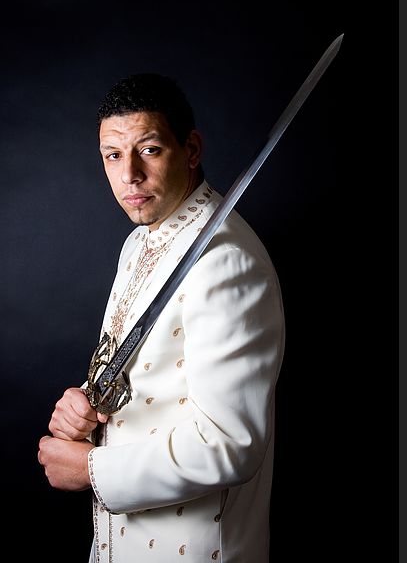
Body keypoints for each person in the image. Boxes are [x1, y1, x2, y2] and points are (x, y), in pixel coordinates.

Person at [37, 73, 285, 563]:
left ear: (190, 149)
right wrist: (85, 407)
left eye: (148, 149)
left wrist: (92, 470)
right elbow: (136, 373)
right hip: (117, 540)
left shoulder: (225, 261)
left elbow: (231, 443)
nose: (129, 175)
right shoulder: (139, 241)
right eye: (113, 154)